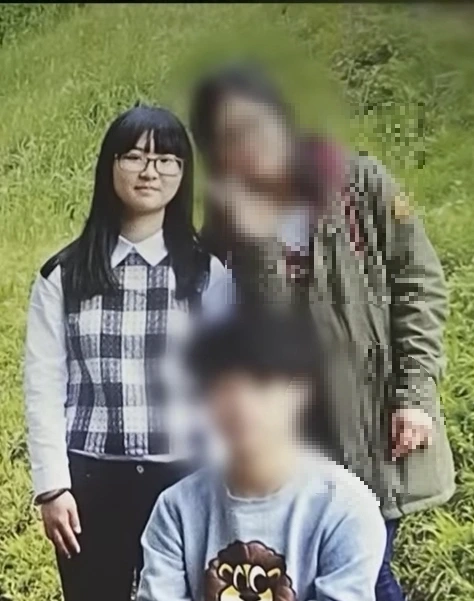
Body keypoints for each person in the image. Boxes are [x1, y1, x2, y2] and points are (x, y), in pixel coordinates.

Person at [188, 63, 456, 601]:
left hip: (373, 428)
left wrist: (415, 397)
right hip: (294, 435)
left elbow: (419, 286)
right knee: (325, 573)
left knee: (361, 569)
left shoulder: (359, 184)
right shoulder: (229, 220)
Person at [24, 104, 226, 601]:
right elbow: (43, 386)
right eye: (134, 156)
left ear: (184, 172)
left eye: (167, 159)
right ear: (109, 166)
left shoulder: (208, 275)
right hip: (92, 480)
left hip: (188, 478)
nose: (150, 171)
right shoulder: (64, 276)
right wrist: (53, 487)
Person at [137, 309, 387, 601]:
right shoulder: (176, 508)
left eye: (261, 383)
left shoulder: (345, 508)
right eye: (223, 387)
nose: (241, 404)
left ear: (300, 392)